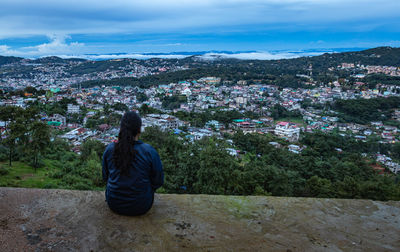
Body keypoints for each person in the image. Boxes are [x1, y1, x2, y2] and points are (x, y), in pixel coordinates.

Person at [102, 111, 164, 216]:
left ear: (121, 129)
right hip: (141, 205)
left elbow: (105, 177)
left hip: (114, 203)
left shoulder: (110, 149)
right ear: (139, 130)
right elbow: (158, 181)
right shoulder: (149, 151)